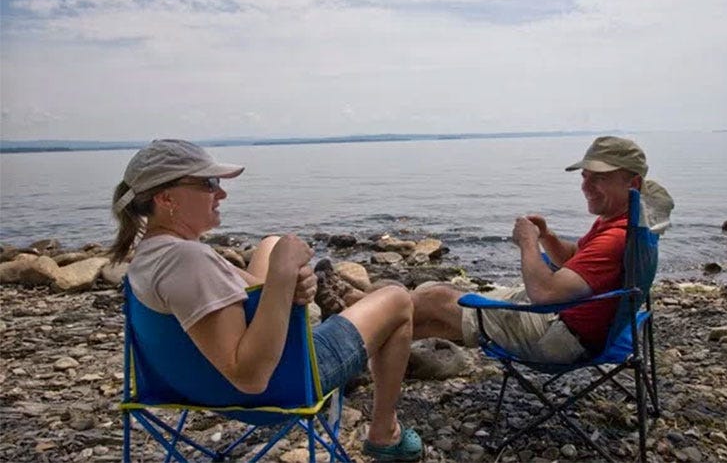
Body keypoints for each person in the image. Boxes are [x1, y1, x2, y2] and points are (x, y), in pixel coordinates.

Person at [109, 139, 423, 462]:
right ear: (166, 198)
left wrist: (282, 287)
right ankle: (384, 433)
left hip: (184, 385)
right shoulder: (188, 261)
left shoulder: (150, 256)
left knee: (270, 243)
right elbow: (250, 377)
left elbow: (248, 288)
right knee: (398, 299)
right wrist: (285, 272)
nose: (221, 194)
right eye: (209, 184)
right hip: (280, 385)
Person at [409, 136, 673, 363]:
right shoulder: (624, 221)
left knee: (435, 298)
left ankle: (370, 319)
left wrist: (528, 242)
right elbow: (575, 258)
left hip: (559, 339)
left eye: (600, 178)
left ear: (634, 184)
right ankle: (378, 341)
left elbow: (544, 293)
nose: (585, 186)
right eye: (585, 177)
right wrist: (547, 237)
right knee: (430, 311)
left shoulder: (615, 237)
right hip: (579, 324)